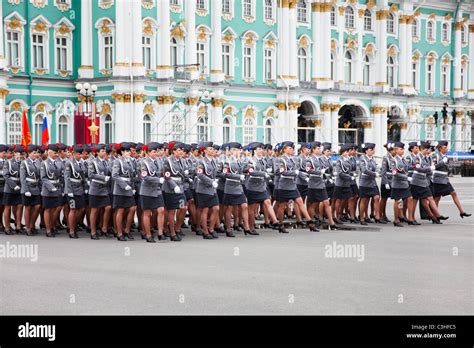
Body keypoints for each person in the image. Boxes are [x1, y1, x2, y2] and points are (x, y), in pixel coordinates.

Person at [276, 141, 317, 233]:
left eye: (292, 148)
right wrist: (295, 172)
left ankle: (309, 222)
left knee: (300, 202)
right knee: (282, 206)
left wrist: (306, 178)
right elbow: (282, 172)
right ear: (284, 149)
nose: (292, 150)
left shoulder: (293, 159)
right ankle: (281, 224)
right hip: (284, 186)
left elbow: (298, 171)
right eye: (290, 148)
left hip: (292, 185)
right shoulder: (281, 160)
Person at [222, 142, 256, 236]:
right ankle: (228, 228)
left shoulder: (239, 161)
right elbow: (225, 174)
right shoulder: (227, 161)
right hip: (230, 187)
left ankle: (246, 227)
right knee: (229, 208)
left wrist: (248, 168)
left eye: (238, 150)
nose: (238, 152)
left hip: (238, 186)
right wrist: (238, 177)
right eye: (236, 150)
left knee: (244, 205)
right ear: (232, 151)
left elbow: (243, 170)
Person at [244, 142, 279, 233]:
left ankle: (275, 221)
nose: (261, 151)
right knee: (252, 207)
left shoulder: (263, 160)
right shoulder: (250, 160)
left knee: (267, 201)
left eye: (261, 149)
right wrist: (264, 174)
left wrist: (270, 174)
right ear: (254, 150)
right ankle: (251, 227)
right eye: (259, 149)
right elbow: (251, 172)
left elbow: (266, 171)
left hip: (262, 186)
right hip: (252, 186)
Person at [432, 140, 471, 219]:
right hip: (438, 180)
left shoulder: (445, 156)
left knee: (441, 197)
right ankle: (435, 216)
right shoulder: (435, 155)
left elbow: (446, 168)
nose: (446, 149)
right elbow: (434, 166)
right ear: (440, 148)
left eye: (446, 147)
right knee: (439, 197)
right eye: (445, 147)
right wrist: (443, 161)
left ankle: (461, 212)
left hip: (444, 180)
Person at [305, 141, 338, 230]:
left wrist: (328, 177)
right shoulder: (310, 159)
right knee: (313, 204)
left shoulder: (320, 159)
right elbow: (308, 170)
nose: (320, 150)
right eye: (318, 148)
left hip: (321, 183)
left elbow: (325, 170)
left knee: (326, 202)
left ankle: (332, 223)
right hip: (314, 184)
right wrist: (319, 172)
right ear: (313, 149)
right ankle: (311, 223)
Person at [139, 142, 166, 243]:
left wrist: (163, 178)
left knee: (161, 210)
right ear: (149, 152)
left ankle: (160, 233)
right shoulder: (144, 162)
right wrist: (158, 180)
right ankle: (148, 235)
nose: (156, 153)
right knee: (147, 213)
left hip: (157, 190)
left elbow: (162, 172)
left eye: (157, 151)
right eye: (154, 152)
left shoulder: (159, 161)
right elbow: (144, 177)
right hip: (146, 191)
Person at [195, 142, 221, 239]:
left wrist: (216, 180)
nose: (212, 151)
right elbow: (200, 174)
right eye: (210, 149)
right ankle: (205, 232)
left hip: (212, 189)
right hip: (203, 189)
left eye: (212, 149)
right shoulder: (201, 161)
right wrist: (211, 181)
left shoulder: (213, 160)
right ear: (205, 151)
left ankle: (211, 229)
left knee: (216, 208)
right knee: (205, 210)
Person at [112, 142, 137, 241]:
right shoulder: (118, 161)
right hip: (120, 189)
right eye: (126, 151)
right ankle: (119, 233)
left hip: (129, 188)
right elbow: (115, 175)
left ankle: (127, 229)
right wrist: (124, 185)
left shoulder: (129, 161)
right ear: (122, 152)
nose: (128, 153)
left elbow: (131, 177)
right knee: (120, 210)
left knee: (132, 208)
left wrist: (132, 187)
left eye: (128, 151)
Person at [162, 141, 188, 242]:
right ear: (173, 151)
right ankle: (172, 233)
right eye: (179, 150)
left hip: (180, 189)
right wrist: (174, 186)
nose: (181, 152)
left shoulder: (182, 161)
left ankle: (177, 228)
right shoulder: (168, 161)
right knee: (171, 211)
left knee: (183, 208)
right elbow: (167, 175)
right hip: (171, 189)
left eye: (182, 150)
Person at [88, 144, 113, 239]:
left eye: (104, 151)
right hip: (95, 189)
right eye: (102, 151)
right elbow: (91, 174)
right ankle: (93, 231)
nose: (104, 152)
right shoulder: (93, 162)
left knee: (108, 208)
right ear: (97, 153)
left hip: (104, 189)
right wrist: (103, 177)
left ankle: (104, 228)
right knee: (95, 210)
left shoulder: (106, 162)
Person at [358, 143, 385, 225]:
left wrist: (379, 171)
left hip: (372, 183)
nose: (373, 151)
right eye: (371, 150)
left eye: (373, 150)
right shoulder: (362, 159)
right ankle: (362, 218)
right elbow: (364, 170)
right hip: (365, 182)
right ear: (366, 151)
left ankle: (377, 217)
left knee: (376, 197)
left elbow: (376, 167)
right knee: (364, 200)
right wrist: (375, 174)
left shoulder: (372, 159)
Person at [390, 142, 416, 227]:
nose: (402, 150)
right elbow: (395, 173)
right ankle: (396, 220)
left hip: (404, 184)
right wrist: (406, 177)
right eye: (401, 149)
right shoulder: (394, 160)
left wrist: (417, 166)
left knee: (410, 198)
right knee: (397, 201)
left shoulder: (403, 159)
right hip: (397, 184)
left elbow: (408, 167)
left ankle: (410, 218)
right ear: (396, 150)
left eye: (403, 149)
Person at [64, 145, 87, 238]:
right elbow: (67, 177)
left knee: (81, 209)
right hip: (72, 190)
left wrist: (85, 187)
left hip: (79, 189)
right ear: (73, 154)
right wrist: (69, 190)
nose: (80, 156)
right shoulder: (69, 163)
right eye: (78, 154)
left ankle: (73, 224)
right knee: (73, 209)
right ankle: (71, 230)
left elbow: (83, 176)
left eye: (81, 154)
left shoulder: (80, 163)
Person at [40, 144, 63, 237]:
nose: (57, 154)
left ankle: (52, 226)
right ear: (49, 152)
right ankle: (48, 229)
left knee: (55, 208)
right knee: (48, 209)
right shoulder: (44, 163)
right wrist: (51, 187)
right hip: (48, 189)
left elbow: (61, 176)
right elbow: (43, 177)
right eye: (55, 153)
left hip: (57, 188)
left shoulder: (59, 163)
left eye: (57, 153)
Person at [20, 144, 42, 236]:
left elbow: (40, 177)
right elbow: (23, 178)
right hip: (28, 187)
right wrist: (26, 190)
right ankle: (28, 228)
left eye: (36, 152)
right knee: (28, 208)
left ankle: (32, 225)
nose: (36, 154)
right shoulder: (24, 163)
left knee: (37, 206)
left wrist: (41, 189)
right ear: (29, 153)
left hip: (36, 187)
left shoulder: (38, 162)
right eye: (34, 153)